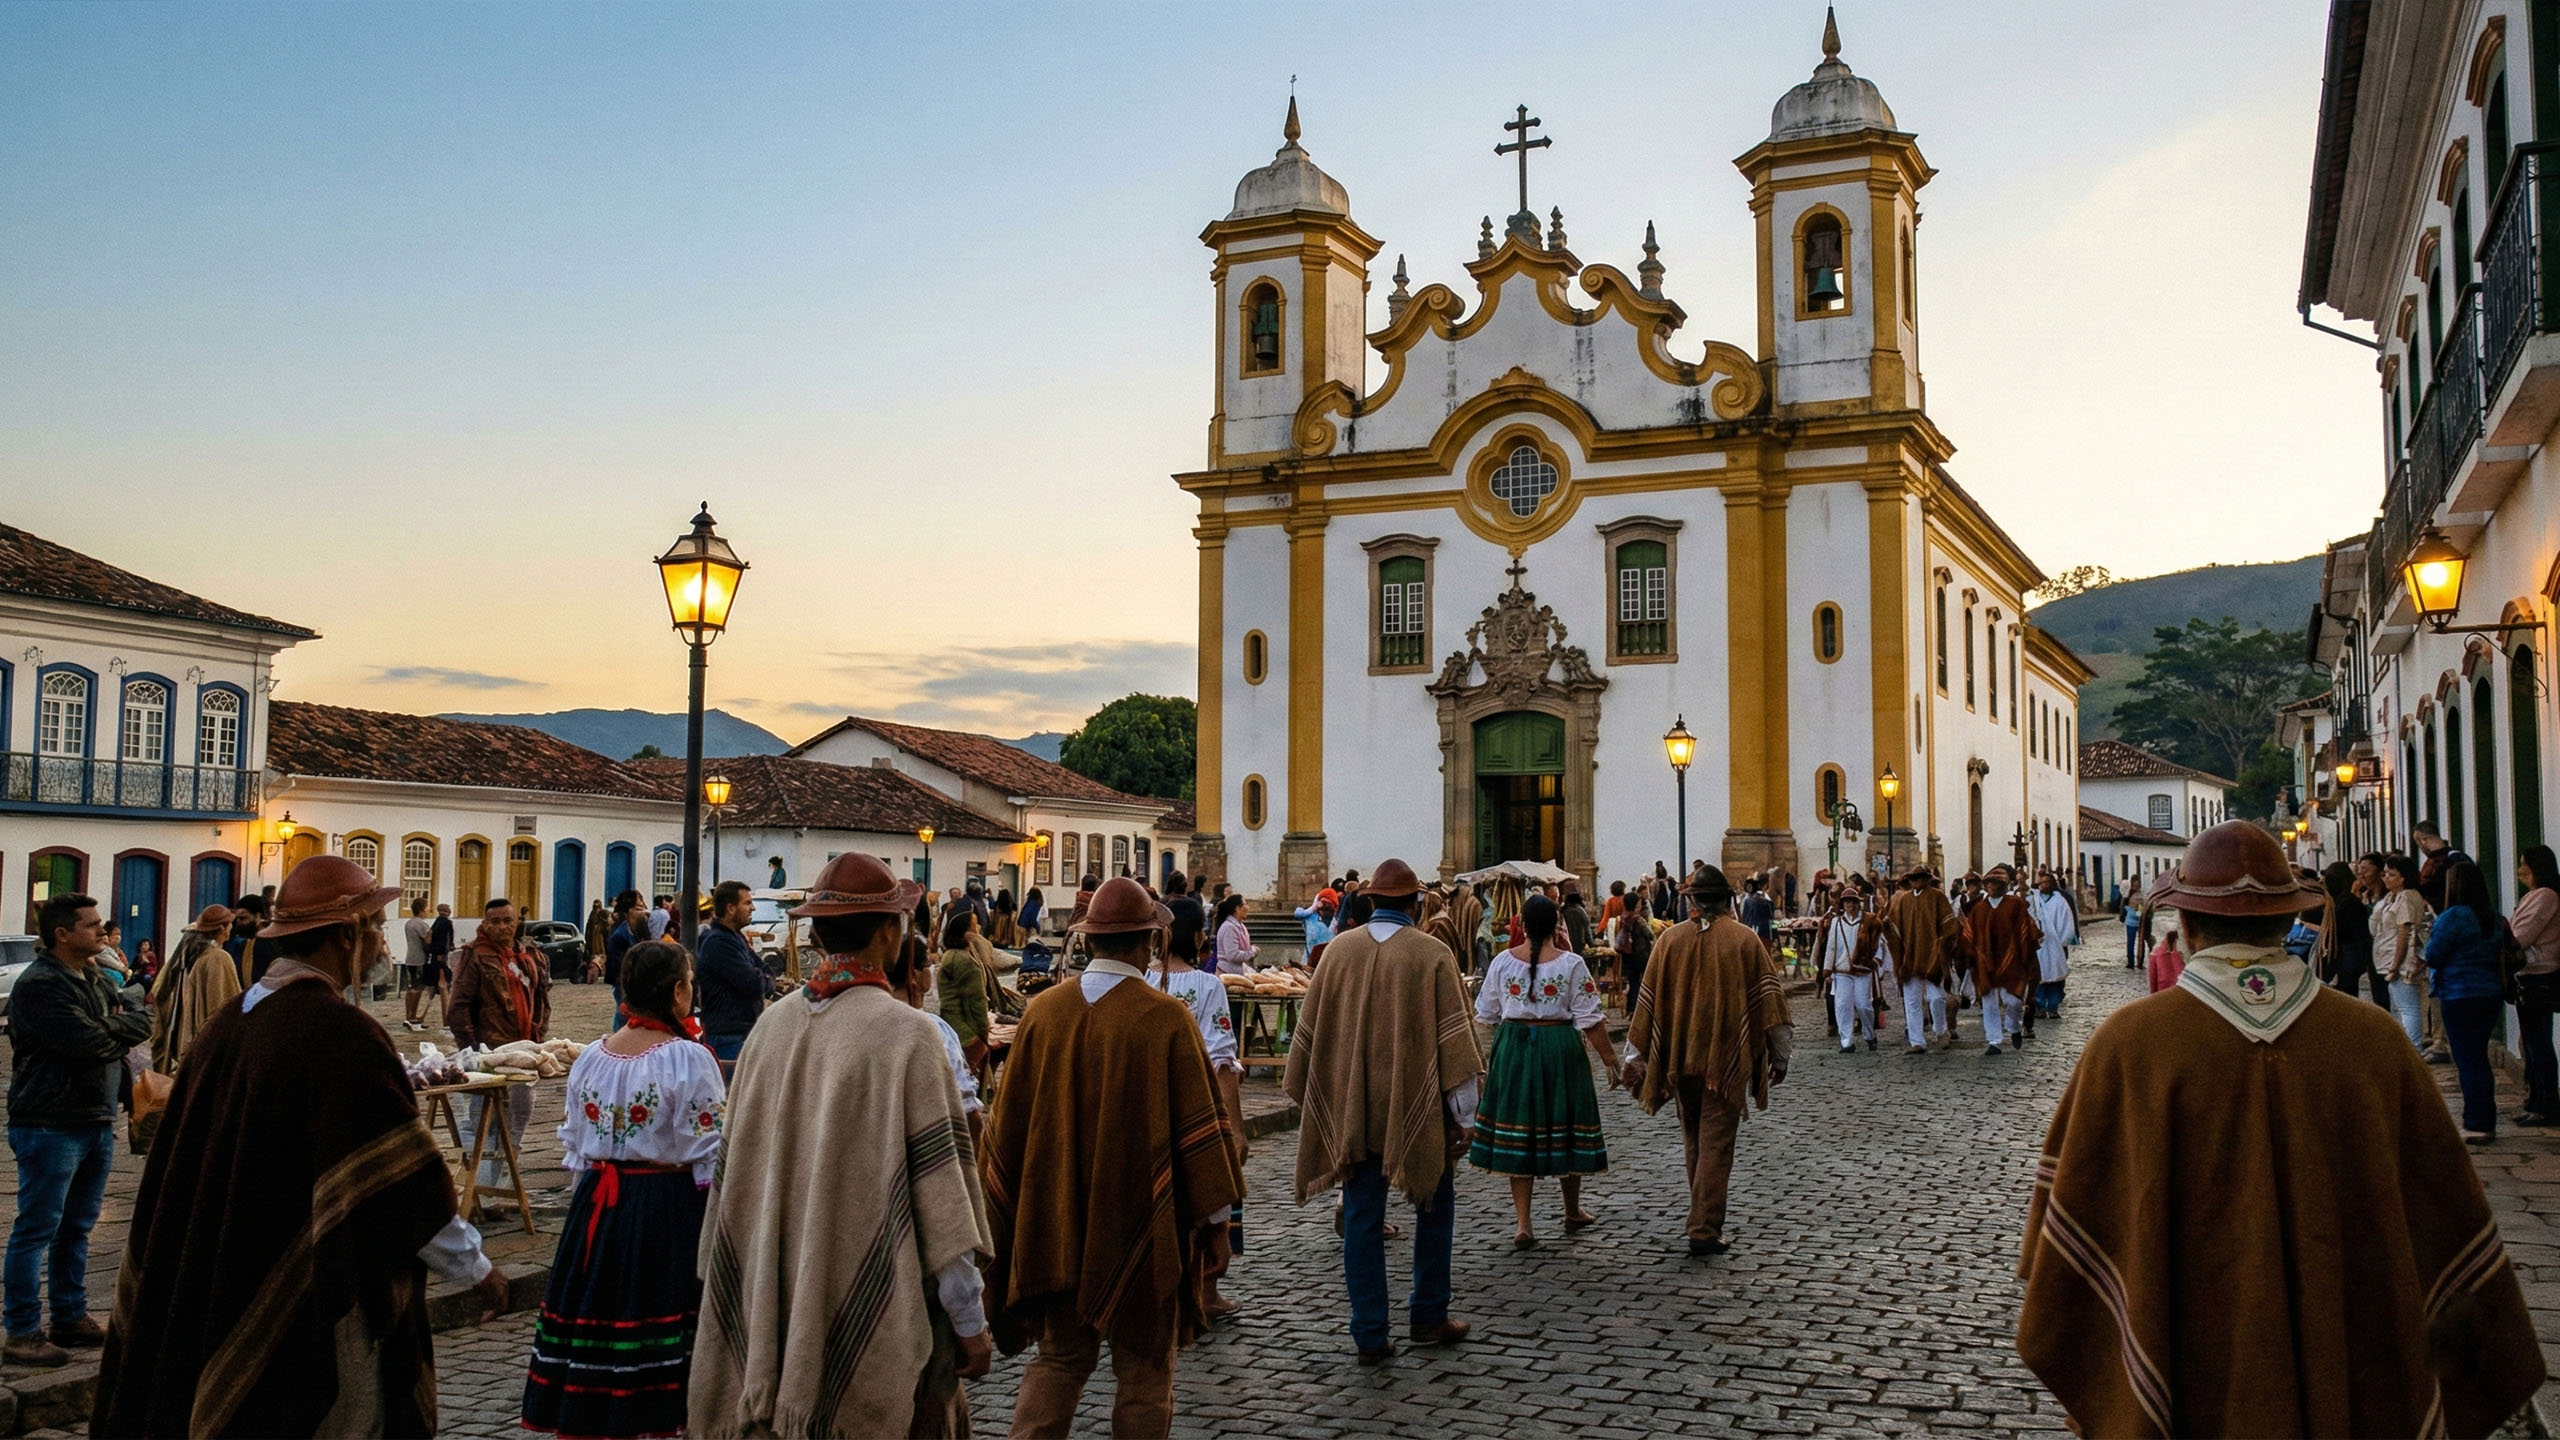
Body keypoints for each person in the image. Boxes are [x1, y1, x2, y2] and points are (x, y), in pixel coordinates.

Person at [2015, 821, 2545, 1436]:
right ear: (2290, 919)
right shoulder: (2376, 1044)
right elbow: (2444, 1224)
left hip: (2189, 1373)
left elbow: (2079, 1234)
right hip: (2352, 1372)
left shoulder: (2128, 1048)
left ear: (2185, 924)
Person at [94, 857, 508, 1434]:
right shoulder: (341, 1035)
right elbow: (403, 1186)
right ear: (346, 936)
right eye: (375, 927)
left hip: (222, 1267)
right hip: (308, 1287)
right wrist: (477, 1267)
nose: (382, 943)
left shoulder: (229, 1022)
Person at [689, 852, 992, 1438]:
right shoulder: (910, 1036)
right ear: (888, 933)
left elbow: (736, 1187)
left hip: (777, 1290)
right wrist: (969, 1319)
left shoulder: (769, 1028)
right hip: (884, 1303)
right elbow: (942, 1206)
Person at [980, 877, 1243, 1436]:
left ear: (1089, 939)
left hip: (1058, 1224)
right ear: (1149, 941)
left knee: (1059, 1359)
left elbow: (1006, 1130)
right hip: (1143, 1224)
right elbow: (1199, 1133)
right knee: (1146, 1371)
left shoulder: (1043, 1014)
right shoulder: (1166, 1018)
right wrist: (1217, 1224)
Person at [522, 939, 724, 1440]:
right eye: (689, 983)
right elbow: (708, 1152)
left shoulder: (592, 1056)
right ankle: (653, 1419)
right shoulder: (688, 1059)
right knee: (656, 1316)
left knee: (602, 1310)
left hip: (596, 1209)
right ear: (676, 992)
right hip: (663, 1209)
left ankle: (600, 1418)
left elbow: (578, 1149)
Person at [1285, 858, 1482, 1364]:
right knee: (1434, 1205)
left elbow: (1312, 1036)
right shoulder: (1432, 955)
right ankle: (1429, 1315)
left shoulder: (1337, 952)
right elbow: (1455, 1047)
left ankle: (1370, 1334)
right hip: (1420, 1106)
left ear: (1370, 900)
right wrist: (1465, 1116)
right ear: (1417, 903)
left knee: (1361, 1218)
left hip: (1354, 1107)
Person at [4, 893, 152, 1367]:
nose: (102, 931)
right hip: (50, 1122)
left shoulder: (92, 977)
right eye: (91, 925)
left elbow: (143, 1017)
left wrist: (113, 1027)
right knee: (36, 1228)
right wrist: (114, 1030)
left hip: (94, 1118)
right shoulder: (42, 984)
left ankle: (69, 1315)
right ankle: (22, 1330)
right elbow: (84, 1042)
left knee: (77, 1227)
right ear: (62, 934)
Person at [1623, 865, 1792, 1257]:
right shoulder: (1744, 940)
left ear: (1694, 902)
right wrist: (1780, 1056)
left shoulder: (1670, 941)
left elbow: (1647, 1004)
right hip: (1725, 1058)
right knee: (1716, 1142)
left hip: (1680, 1057)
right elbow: (1771, 1005)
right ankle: (1703, 1227)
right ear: (1728, 901)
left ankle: (1701, 1215)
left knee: (1693, 1139)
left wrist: (1636, 1055)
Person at [1468, 893, 1617, 1248]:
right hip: (1560, 1048)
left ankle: (1523, 1223)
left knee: (1521, 1128)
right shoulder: (1572, 964)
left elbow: (1486, 1014)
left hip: (1514, 1047)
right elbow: (1590, 1018)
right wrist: (1611, 1060)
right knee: (1566, 1122)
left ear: (1521, 925)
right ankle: (1571, 1209)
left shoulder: (1502, 962)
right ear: (1556, 925)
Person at [1151, 896, 1246, 1322]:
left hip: (1151, 1109)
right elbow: (1222, 1061)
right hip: (1198, 1110)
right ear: (1195, 937)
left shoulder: (1140, 981)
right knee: (1207, 1195)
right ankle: (1206, 1290)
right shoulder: (1209, 988)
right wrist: (1235, 1128)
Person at [447, 897, 553, 1197]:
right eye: (495, 922)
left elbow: (542, 999)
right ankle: (479, 1192)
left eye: (508, 921)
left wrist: (538, 1038)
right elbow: (458, 1009)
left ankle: (502, 1191)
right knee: (482, 1123)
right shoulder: (475, 956)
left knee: (517, 1120)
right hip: (489, 1053)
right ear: (485, 924)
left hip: (524, 1053)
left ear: (516, 923)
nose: (502, 927)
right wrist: (474, 1053)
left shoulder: (529, 955)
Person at [2427, 859, 2508, 1143]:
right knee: (2478, 1057)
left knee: (2468, 1060)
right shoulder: (2492, 917)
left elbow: (2433, 954)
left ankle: (2478, 1123)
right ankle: (2485, 1118)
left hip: (2459, 993)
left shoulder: (2453, 916)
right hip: (2489, 992)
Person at [148, 905, 243, 1077]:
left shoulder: (192, 956)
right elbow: (225, 1007)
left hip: (188, 1045)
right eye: (230, 925)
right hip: (209, 1051)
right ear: (222, 928)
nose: (231, 929)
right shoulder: (218, 958)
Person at [696, 880, 776, 1072]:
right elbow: (753, 983)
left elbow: (765, 969)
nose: (753, 908)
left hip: (742, 1032)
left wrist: (765, 979)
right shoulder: (718, 943)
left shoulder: (736, 938)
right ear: (730, 908)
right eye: (747, 903)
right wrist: (766, 982)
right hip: (727, 1036)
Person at [1962, 866, 2039, 1056]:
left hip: (2011, 960)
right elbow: (1970, 934)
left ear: (2004, 886)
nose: (1991, 886)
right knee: (1989, 1001)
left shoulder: (2016, 905)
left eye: (1996, 883)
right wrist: (1971, 955)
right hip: (1985, 961)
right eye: (1988, 883)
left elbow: (2026, 930)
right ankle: (1994, 1040)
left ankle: (2013, 1026)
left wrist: (2025, 952)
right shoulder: (1979, 909)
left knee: (2013, 1001)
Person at [1882, 868, 1958, 1052]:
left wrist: (1941, 945)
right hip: (1910, 956)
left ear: (1927, 879)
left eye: (1920, 877)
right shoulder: (1904, 900)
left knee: (1936, 998)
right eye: (1913, 878)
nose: (1916, 881)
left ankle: (1941, 1030)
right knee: (1912, 1001)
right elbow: (1892, 923)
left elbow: (1950, 925)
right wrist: (1884, 924)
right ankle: (1916, 1041)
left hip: (1932, 956)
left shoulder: (1937, 897)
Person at [2513, 845, 2560, 1127]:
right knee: (2532, 1042)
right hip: (2530, 974)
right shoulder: (2535, 895)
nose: (2520, 870)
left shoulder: (2545, 896)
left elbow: (2522, 936)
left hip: (2540, 975)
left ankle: (2546, 1104)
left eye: (2524, 864)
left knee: (2538, 1042)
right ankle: (2536, 1100)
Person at [2373, 854, 2433, 1047]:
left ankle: (2414, 1048)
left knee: (2408, 1007)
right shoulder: (2393, 897)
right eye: (2385, 874)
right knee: (2400, 1007)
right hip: (2390, 957)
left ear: (2403, 877)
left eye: (2391, 874)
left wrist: (2395, 965)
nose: (2386, 878)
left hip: (2402, 961)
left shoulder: (2406, 897)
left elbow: (2404, 933)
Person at [1819, 886, 1888, 1053]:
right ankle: (1846, 1042)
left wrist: (1875, 961)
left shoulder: (1868, 922)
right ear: (1842, 904)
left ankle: (1869, 1034)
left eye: (1853, 902)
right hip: (1841, 970)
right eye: (1847, 902)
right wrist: (1827, 970)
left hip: (1863, 970)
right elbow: (1831, 947)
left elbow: (1879, 942)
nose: (1850, 905)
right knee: (1842, 1005)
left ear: (1858, 904)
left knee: (1864, 1005)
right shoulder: (1836, 923)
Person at [936, 905, 996, 1075]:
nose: (979, 929)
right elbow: (977, 1002)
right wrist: (983, 1033)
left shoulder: (950, 955)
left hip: (951, 1024)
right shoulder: (965, 962)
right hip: (966, 1030)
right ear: (965, 933)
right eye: (974, 926)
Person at [2026, 873, 2076, 1019]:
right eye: (2041, 883)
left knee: (2055, 977)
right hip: (2039, 945)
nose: (2044, 885)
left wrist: (2061, 941)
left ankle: (2053, 1007)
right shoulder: (2033, 900)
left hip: (2055, 945)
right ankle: (2040, 1006)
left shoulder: (2059, 902)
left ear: (2052, 884)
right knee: (2039, 976)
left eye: (2047, 882)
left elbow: (2066, 922)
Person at [603, 890, 645, 1020]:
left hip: (634, 983)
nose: (642, 912)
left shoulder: (638, 930)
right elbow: (617, 966)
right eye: (638, 909)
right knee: (624, 1014)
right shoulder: (620, 936)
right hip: (624, 984)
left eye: (642, 908)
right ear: (628, 912)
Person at [1294, 888, 1339, 965]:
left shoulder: (1337, 920)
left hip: (1330, 960)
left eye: (1328, 904)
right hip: (1310, 960)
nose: (1325, 908)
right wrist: (1312, 908)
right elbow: (1298, 914)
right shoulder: (1310, 917)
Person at [1213, 894, 1255, 973]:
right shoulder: (1229, 927)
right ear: (1237, 908)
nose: (1248, 908)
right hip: (1228, 973)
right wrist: (1252, 952)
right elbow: (1233, 955)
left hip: (1240, 972)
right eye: (1245, 904)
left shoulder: (1240, 926)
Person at [2145, 921, 2186, 993]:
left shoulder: (2156, 953)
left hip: (2162, 995)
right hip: (2181, 995)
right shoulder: (2184, 955)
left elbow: (2153, 982)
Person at [581, 899, 610, 983]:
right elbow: (588, 933)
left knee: (599, 959)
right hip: (595, 945)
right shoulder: (592, 917)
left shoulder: (600, 917)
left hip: (599, 945)